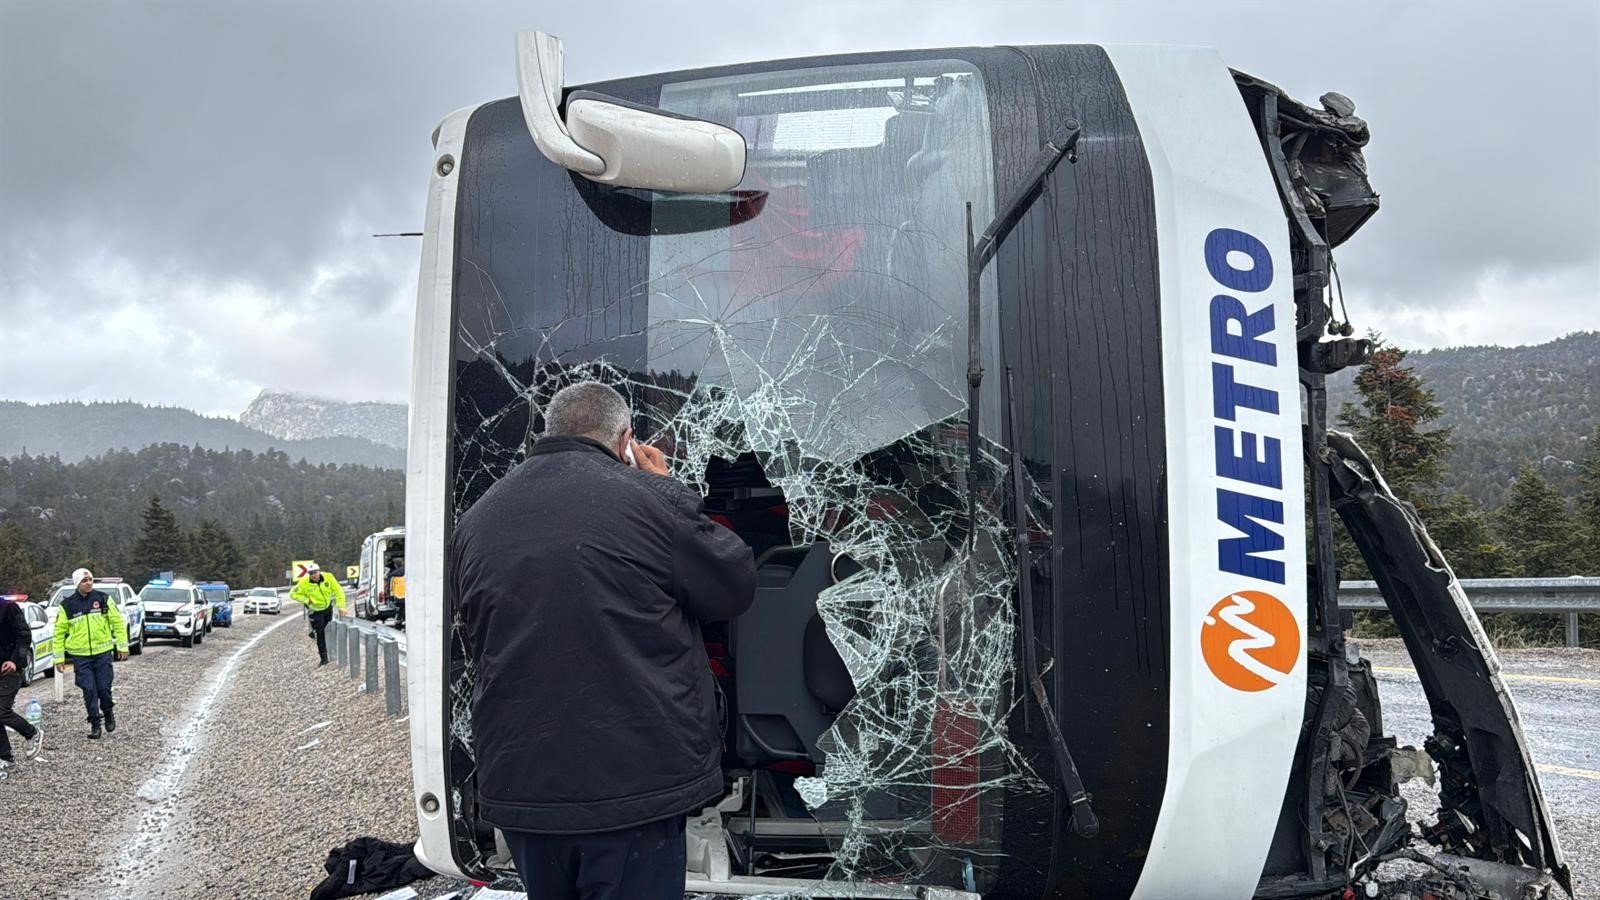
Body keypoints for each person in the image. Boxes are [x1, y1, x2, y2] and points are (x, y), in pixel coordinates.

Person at [452, 381, 756, 900]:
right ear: (626, 442)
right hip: (631, 788)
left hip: (524, 787)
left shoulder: (478, 518)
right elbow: (733, 586)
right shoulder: (646, 500)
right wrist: (666, 487)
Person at [52, 568, 128, 739]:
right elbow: (58, 634)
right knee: (89, 690)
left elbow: (117, 623)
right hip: (80, 656)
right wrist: (59, 658)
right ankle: (95, 723)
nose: (88, 583)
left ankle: (108, 712)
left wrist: (122, 646)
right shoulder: (67, 605)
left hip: (103, 653)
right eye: (84, 580)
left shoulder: (103, 599)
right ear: (77, 583)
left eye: (90, 579)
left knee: (103, 688)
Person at [1, 592, 44, 769]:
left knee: (1, 710)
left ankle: (32, 732)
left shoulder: (7, 608)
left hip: (10, 669)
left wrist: (14, 660)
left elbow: (24, 635)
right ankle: (5, 758)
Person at [291, 564, 346, 666]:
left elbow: (338, 591)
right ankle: (324, 658)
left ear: (319, 571)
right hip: (315, 611)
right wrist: (307, 600)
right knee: (320, 634)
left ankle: (332, 652)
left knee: (329, 629)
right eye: (311, 573)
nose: (313, 575)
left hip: (327, 608)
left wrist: (341, 606)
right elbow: (293, 594)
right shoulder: (304, 582)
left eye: (315, 572)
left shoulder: (328, 577)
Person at [386, 556, 406, 627]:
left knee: (399, 612)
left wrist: (390, 598)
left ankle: (398, 625)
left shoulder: (393, 575)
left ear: (395, 565)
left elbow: (390, 588)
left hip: (398, 597)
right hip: (407, 596)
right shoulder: (408, 572)